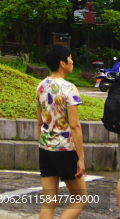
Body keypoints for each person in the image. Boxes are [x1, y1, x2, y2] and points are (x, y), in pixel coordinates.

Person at [36, 44, 86, 219]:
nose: (72, 60)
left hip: (45, 150)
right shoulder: (69, 89)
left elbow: (40, 123)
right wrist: (80, 158)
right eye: (70, 57)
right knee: (80, 198)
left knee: (48, 202)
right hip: (66, 150)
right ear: (62, 63)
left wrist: (43, 146)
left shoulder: (40, 87)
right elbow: (75, 126)